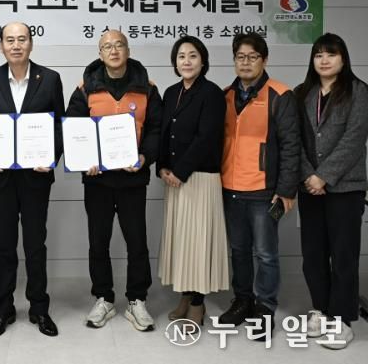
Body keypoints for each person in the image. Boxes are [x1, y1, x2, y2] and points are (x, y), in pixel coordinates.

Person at [66, 29, 162, 332]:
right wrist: (85, 160)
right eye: (107, 46)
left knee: (137, 242)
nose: (114, 50)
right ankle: (104, 298)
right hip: (98, 181)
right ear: (100, 53)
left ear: (128, 50)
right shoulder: (85, 89)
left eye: (119, 45)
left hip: (133, 179)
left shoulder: (147, 88)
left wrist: (145, 157)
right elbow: (73, 129)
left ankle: (137, 299)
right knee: (98, 242)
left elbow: (156, 130)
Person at [0, 22, 65, 338]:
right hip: (0, 178)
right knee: (4, 244)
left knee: (35, 244)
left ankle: (39, 308)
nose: (16, 45)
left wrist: (51, 157)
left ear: (31, 44)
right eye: (10, 40)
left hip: (35, 177)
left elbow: (60, 125)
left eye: (22, 39)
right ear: (1, 45)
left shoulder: (50, 78)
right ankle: (3, 309)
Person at [219, 32, 299, 339]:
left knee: (266, 253)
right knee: (239, 250)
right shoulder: (226, 95)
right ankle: (243, 300)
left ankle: (265, 307)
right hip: (231, 188)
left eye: (252, 57)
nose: (246, 62)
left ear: (264, 60)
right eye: (240, 57)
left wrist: (286, 189)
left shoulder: (280, 94)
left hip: (264, 190)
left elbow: (291, 146)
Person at [295, 33, 368, 349]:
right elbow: (294, 140)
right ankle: (320, 310)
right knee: (312, 254)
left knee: (343, 255)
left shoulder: (358, 91)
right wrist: (309, 176)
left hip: (345, 188)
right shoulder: (302, 93)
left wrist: (323, 176)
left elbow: (354, 139)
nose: (324, 60)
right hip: (309, 188)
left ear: (343, 58)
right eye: (318, 55)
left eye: (331, 54)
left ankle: (342, 319)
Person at [157, 36, 229, 331]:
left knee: (198, 243)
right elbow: (164, 133)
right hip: (174, 179)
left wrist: (180, 171)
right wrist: (162, 167)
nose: (186, 61)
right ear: (175, 63)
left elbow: (206, 138)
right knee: (182, 243)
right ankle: (185, 296)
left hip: (199, 178)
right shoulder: (171, 92)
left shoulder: (212, 94)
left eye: (193, 56)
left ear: (203, 61)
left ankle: (198, 303)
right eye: (181, 56)